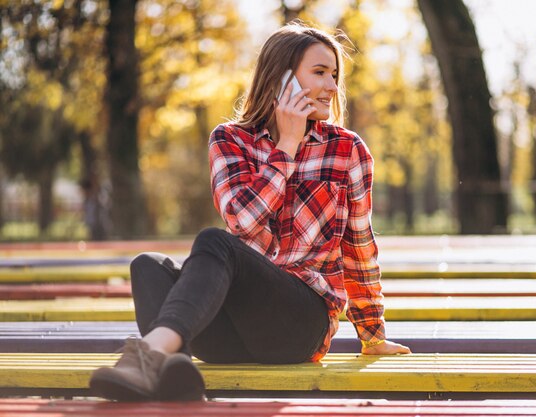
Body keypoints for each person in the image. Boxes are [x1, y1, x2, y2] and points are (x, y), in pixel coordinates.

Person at [89, 21, 410, 402]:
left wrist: (372, 335)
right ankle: (175, 374)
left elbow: (359, 246)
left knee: (213, 242)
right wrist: (286, 148)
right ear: (282, 80)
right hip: (230, 335)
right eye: (320, 73)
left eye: (335, 75)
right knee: (147, 265)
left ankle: (150, 356)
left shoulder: (347, 150)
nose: (332, 86)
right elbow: (242, 218)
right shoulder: (229, 140)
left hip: (299, 325)